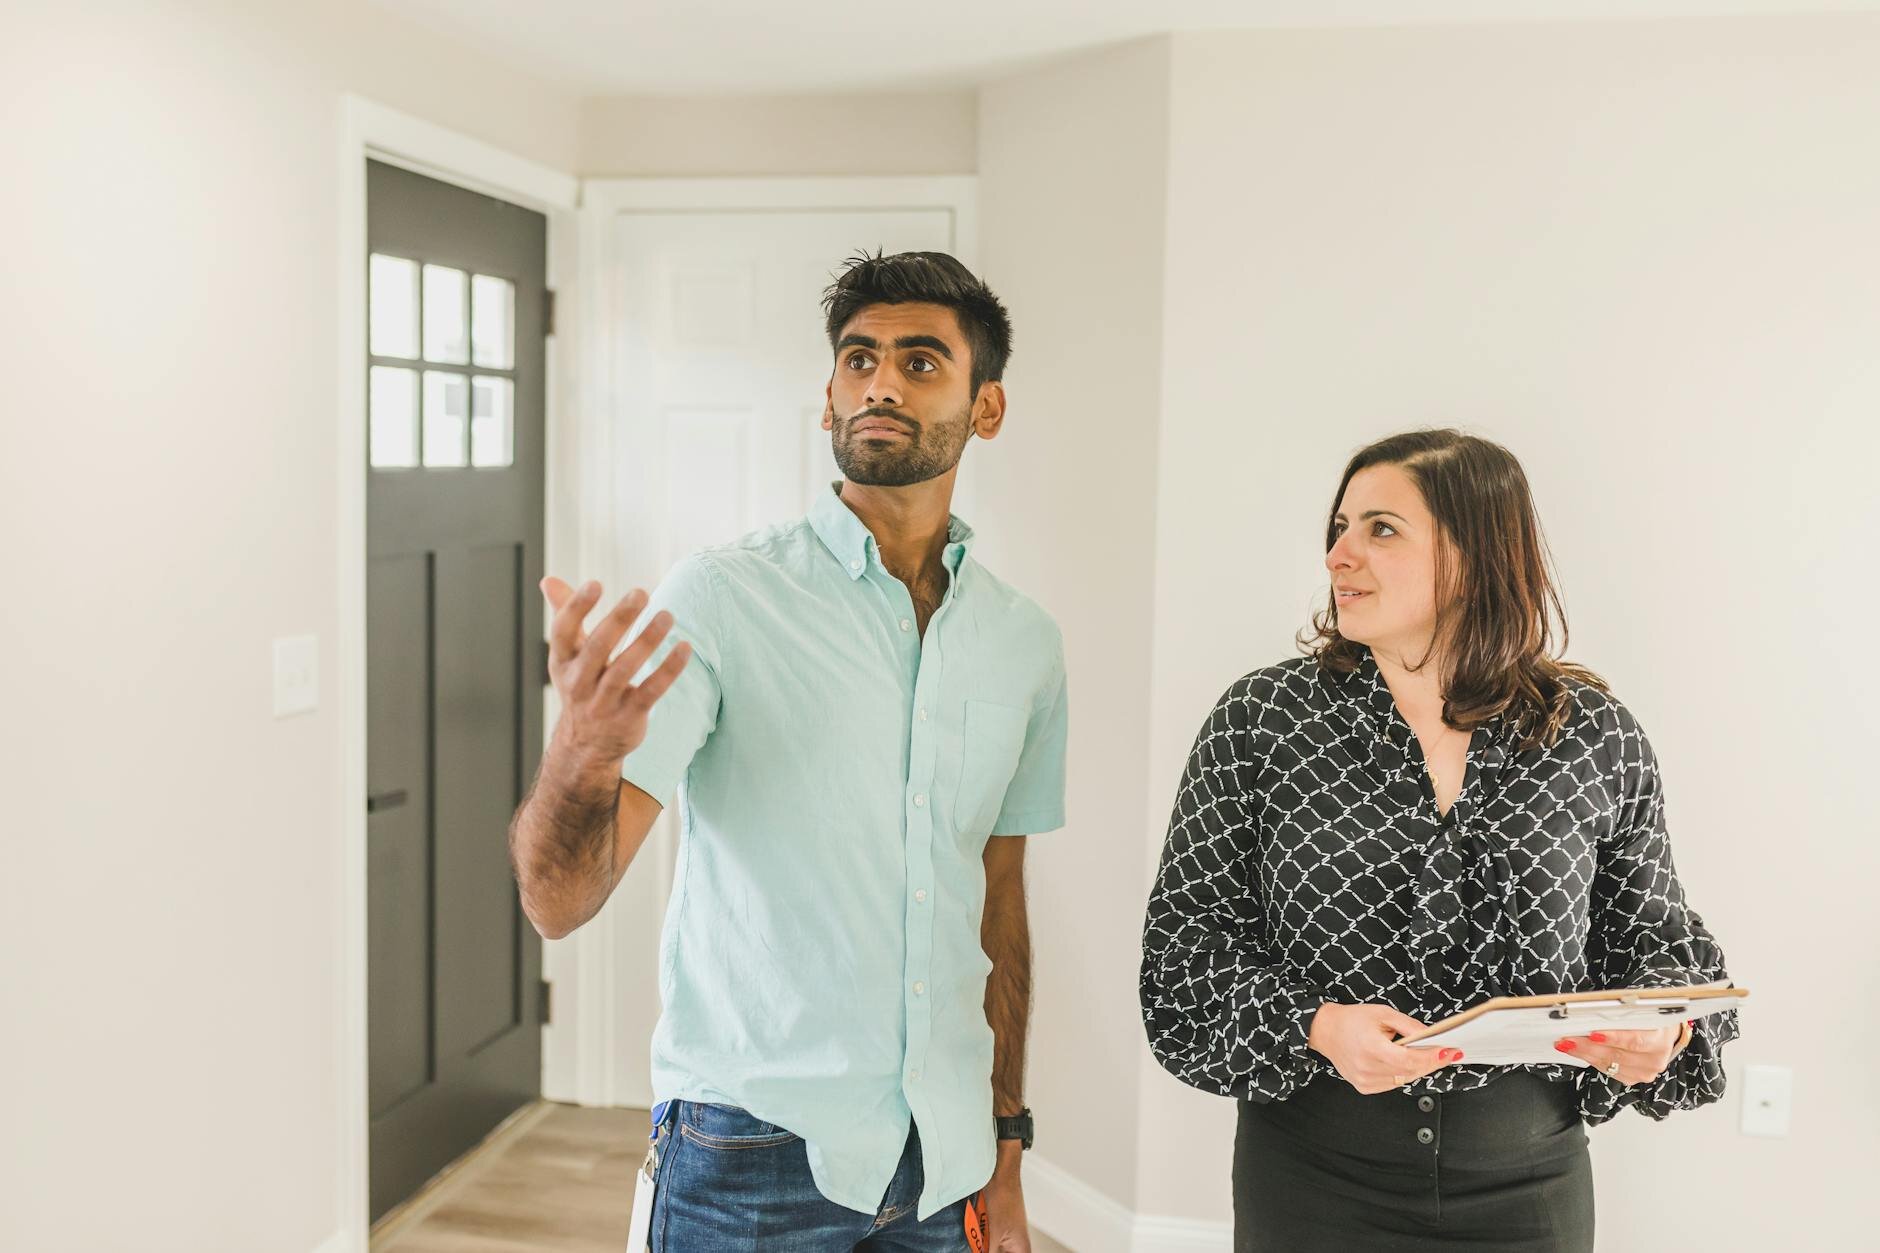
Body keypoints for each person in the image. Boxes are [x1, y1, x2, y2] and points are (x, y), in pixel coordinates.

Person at [509, 251, 1066, 1252]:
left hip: (939, 1159)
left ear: (986, 409)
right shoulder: (721, 597)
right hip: (747, 1151)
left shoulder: (1022, 642)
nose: (880, 382)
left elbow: (999, 902)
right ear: (827, 400)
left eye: (919, 361)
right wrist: (580, 749)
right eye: (858, 359)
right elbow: (559, 900)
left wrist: (1005, 1138)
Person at [1139, 429, 1737, 1252]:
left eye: (1380, 528)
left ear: (1477, 554)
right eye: (1338, 529)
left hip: (1530, 1192)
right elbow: (1182, 949)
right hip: (1312, 1183)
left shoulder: (1597, 735)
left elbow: (1657, 938)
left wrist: (1662, 1030)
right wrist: (1315, 1023)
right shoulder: (1262, 721)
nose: (1340, 554)